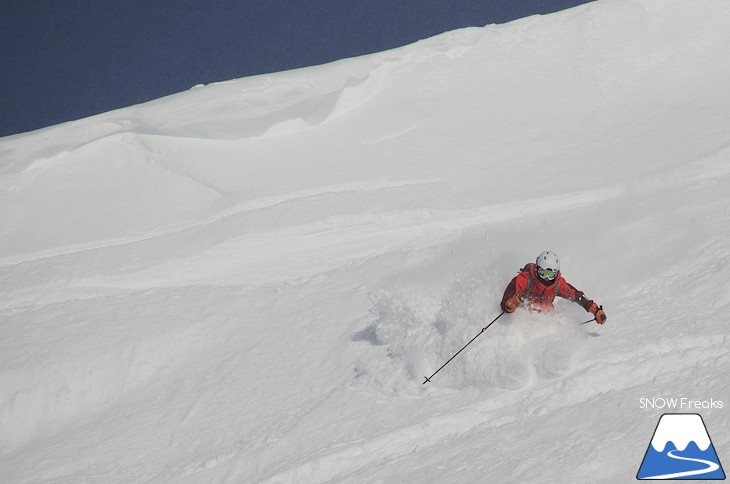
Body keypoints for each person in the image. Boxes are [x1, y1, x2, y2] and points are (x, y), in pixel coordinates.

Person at [500, 250, 607, 324]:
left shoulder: (558, 284)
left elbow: (576, 295)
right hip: (524, 319)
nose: (546, 278)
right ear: (537, 269)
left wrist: (595, 310)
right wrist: (509, 306)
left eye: (550, 275)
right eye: (543, 273)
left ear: (556, 273)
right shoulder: (524, 279)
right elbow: (510, 296)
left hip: (546, 321)